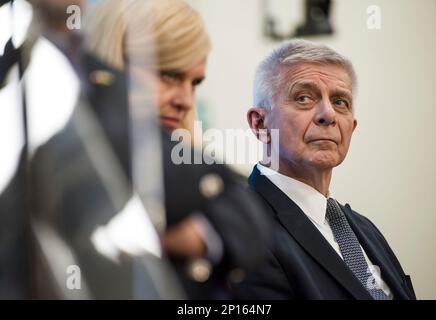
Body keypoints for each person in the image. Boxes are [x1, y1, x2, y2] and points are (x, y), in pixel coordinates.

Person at [84, 0, 269, 299]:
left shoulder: (190, 161)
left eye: (194, 82)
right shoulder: (69, 157)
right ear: (113, 66)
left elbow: (249, 219)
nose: (185, 99)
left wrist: (197, 237)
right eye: (169, 75)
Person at [233, 39, 416, 300]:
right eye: (304, 98)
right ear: (261, 124)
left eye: (341, 102)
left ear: (351, 127)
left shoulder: (367, 230)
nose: (328, 114)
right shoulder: (244, 229)